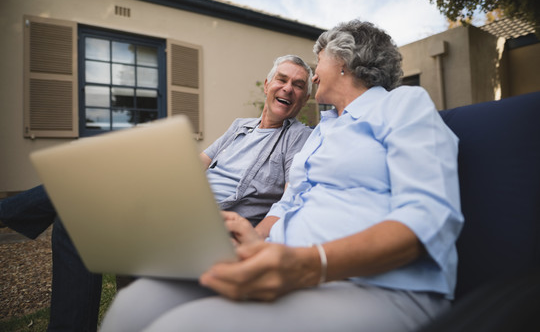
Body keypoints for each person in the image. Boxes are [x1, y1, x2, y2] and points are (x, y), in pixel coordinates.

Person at [100, 20, 464, 332]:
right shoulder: (324, 131)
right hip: (285, 266)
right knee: (138, 302)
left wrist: (309, 265)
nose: (312, 71)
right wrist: (255, 241)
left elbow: (430, 217)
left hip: (377, 285)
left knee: (183, 327)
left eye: (316, 61)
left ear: (343, 62)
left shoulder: (403, 105)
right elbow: (289, 202)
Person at [0, 54, 313, 332]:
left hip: (208, 226)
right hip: (178, 204)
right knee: (76, 211)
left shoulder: (298, 139)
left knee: (87, 188)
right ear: (267, 85)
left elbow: (287, 200)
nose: (288, 88)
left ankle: (7, 212)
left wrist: (255, 237)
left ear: (304, 100)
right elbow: (195, 165)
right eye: (282, 80)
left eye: (299, 85)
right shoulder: (239, 127)